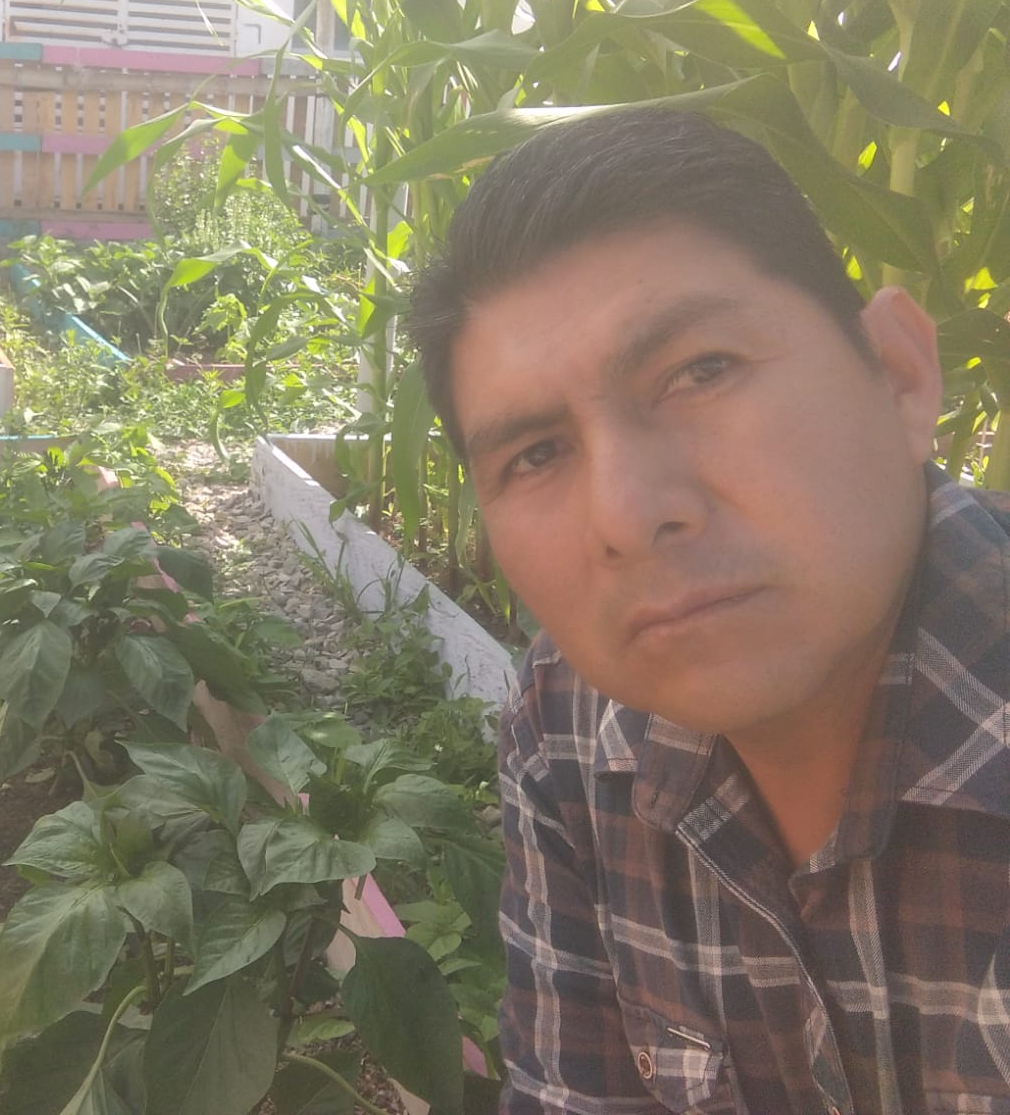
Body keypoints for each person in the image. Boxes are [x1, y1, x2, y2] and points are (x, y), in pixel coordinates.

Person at [408, 107, 1010, 1114]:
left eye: (701, 372)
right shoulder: (570, 726)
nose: (628, 515)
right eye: (537, 454)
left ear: (902, 376)